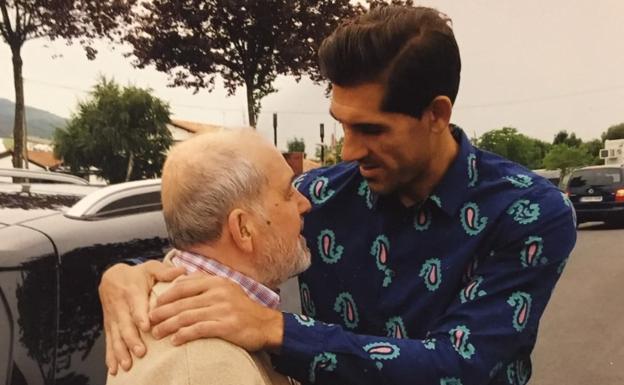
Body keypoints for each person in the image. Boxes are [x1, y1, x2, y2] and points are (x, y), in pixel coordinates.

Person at [99, 5, 577, 385]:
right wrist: (128, 277)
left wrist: (276, 329)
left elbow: (464, 365)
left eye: (370, 129)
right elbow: (217, 243)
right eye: (342, 123)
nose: (348, 151)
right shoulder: (320, 197)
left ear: (436, 113)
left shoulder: (528, 213)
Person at [105, 130, 311, 385]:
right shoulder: (207, 363)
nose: (305, 204)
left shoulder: (182, 312)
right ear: (244, 229)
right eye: (288, 192)